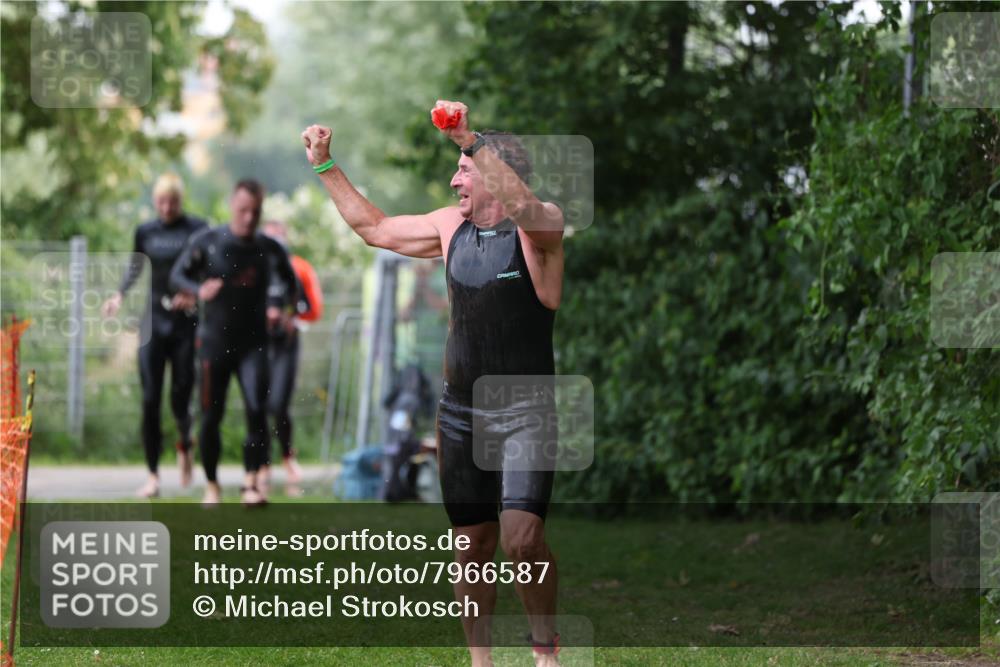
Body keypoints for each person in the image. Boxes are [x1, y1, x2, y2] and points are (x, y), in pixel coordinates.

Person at [301, 100, 564, 667]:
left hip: (525, 413)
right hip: (461, 413)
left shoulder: (541, 225)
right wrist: (326, 166)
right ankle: (480, 661)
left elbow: (521, 205)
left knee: (522, 539)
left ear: (497, 171)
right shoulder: (451, 226)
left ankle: (546, 651)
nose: (455, 179)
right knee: (471, 545)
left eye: (464, 170)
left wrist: (468, 138)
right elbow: (373, 228)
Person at [169, 180, 296, 507]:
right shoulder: (208, 242)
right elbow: (177, 276)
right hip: (214, 345)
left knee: (257, 410)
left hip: (254, 344)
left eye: (255, 212)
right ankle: (212, 485)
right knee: (211, 417)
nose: (249, 218)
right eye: (243, 210)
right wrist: (198, 291)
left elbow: (291, 286)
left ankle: (251, 483)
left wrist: (281, 309)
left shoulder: (271, 247)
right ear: (231, 206)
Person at [101, 173, 207, 498]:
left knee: (180, 397)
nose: (167, 207)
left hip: (184, 324)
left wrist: (194, 294)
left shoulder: (197, 229)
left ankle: (185, 442)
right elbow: (135, 265)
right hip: (152, 321)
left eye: (173, 202)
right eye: (161, 202)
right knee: (150, 399)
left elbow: (209, 270)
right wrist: (119, 294)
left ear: (181, 201)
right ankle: (152, 476)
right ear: (154, 202)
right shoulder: (146, 231)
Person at [260, 219, 324, 496]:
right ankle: (261, 464)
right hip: (258, 345)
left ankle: (287, 456)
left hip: (286, 344)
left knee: (278, 404)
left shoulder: (299, 268)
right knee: (258, 404)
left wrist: (290, 315)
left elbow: (313, 309)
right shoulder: (253, 268)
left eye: (278, 239)